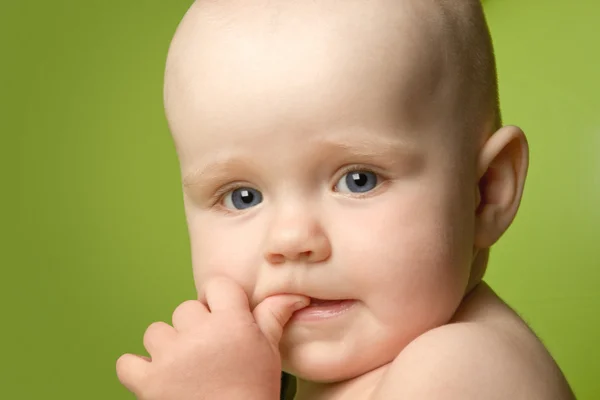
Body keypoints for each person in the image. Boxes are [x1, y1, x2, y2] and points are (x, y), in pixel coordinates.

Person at [116, 0, 576, 398]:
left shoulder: (462, 367)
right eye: (242, 196)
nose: (291, 239)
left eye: (358, 179)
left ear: (485, 192)